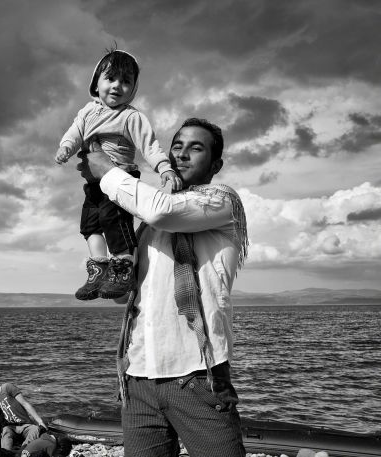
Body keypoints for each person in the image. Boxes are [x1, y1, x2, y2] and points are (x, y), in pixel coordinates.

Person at [81, 118, 249, 457]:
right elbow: (125, 298)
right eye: (177, 146)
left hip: (197, 375)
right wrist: (108, 264)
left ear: (216, 165)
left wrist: (107, 172)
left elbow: (161, 210)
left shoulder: (220, 200)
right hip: (138, 378)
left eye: (195, 148)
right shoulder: (148, 227)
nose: (181, 155)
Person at [54, 48, 182, 301]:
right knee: (89, 226)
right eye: (110, 78)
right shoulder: (87, 111)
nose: (116, 86)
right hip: (93, 184)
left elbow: (149, 145)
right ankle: (99, 269)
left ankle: (123, 268)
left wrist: (164, 167)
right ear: (96, 83)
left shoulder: (130, 117)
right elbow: (75, 131)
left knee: (115, 223)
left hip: (120, 180)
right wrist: (66, 147)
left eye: (125, 81)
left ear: (133, 89)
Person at [0, 378, 48, 452]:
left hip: (25, 424)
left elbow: (25, 403)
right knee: (5, 431)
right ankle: (6, 453)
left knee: (35, 429)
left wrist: (40, 421)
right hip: (12, 427)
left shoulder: (7, 388)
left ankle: (24, 451)